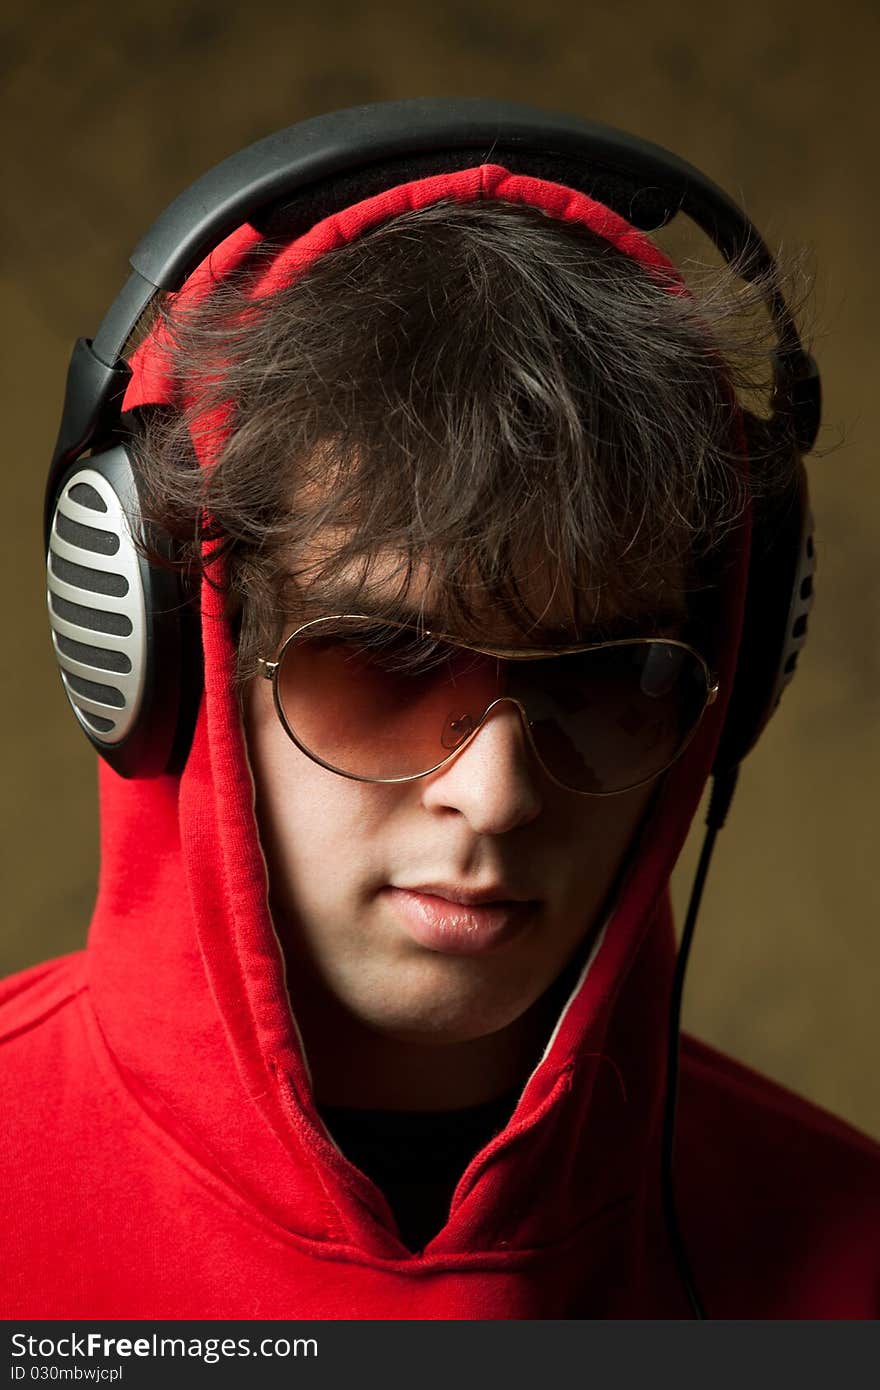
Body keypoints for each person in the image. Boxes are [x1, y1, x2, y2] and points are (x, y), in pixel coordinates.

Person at [2, 105, 878, 1320]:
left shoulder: (848, 1258)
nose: (498, 791)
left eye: (605, 678)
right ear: (163, 657)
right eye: (386, 659)